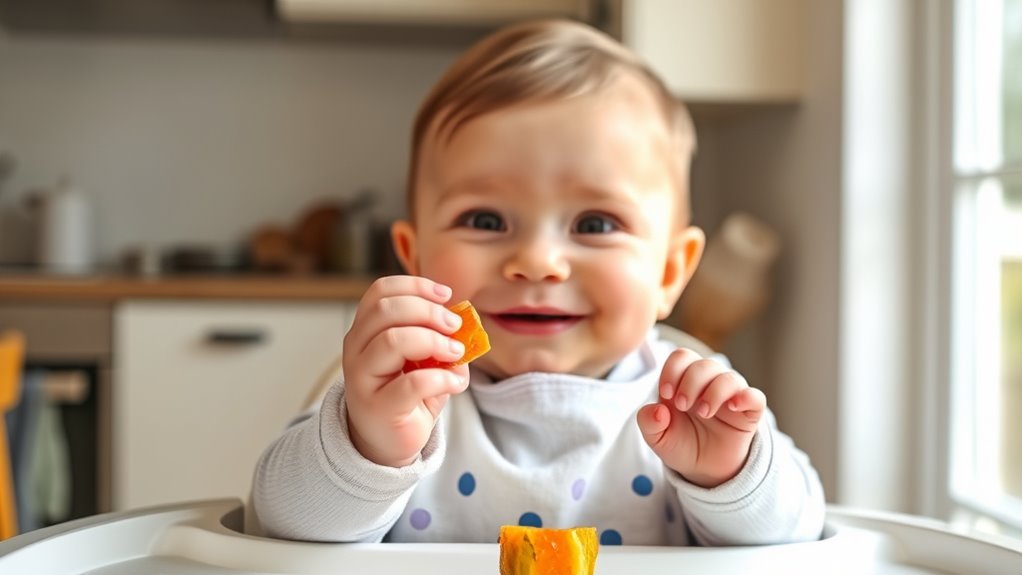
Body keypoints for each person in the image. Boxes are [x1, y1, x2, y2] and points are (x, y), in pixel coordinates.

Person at [249, 18, 826, 546]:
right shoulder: (397, 396)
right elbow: (276, 527)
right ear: (415, 259)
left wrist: (731, 476)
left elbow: (802, 534)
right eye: (485, 220)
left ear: (670, 273)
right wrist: (367, 445)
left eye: (595, 224)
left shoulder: (697, 400)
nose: (537, 262)